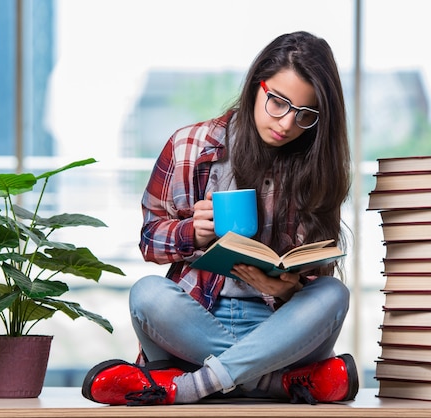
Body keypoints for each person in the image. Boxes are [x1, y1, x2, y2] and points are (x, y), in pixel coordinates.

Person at [82, 31, 357, 406]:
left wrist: (285, 289)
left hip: (279, 328)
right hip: (195, 319)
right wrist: (190, 233)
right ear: (256, 85)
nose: (287, 123)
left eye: (305, 115)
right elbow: (150, 239)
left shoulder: (315, 168)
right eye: (278, 102)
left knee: (333, 294)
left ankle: (189, 386)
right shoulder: (189, 144)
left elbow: (314, 276)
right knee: (147, 294)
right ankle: (276, 383)